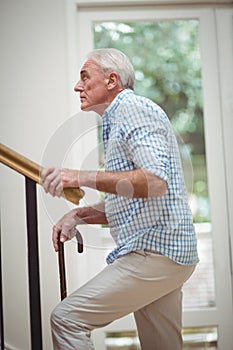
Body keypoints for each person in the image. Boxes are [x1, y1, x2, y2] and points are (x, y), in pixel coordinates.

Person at [41, 48, 199, 350]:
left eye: (85, 77)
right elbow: (132, 197)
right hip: (165, 252)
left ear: (111, 80)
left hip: (155, 251)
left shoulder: (132, 109)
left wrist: (79, 176)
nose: (78, 86)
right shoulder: (116, 119)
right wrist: (79, 215)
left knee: (66, 319)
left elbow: (154, 181)